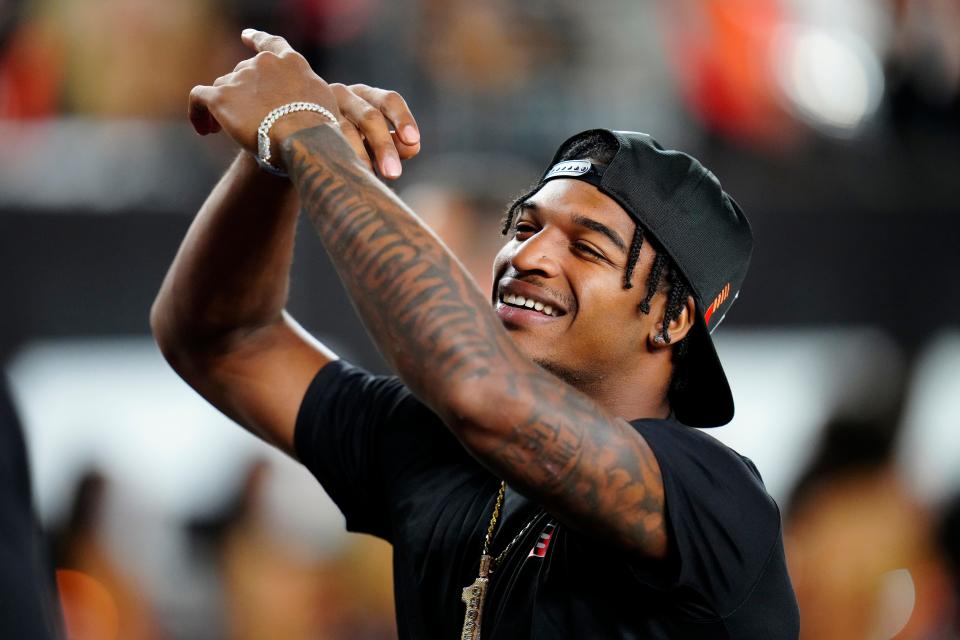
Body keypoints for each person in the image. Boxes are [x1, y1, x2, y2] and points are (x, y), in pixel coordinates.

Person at [152, 28, 800, 639]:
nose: (531, 256)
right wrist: (272, 162)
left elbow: (481, 392)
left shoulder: (712, 499)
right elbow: (222, 340)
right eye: (525, 227)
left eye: (588, 247)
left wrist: (304, 134)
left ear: (673, 318)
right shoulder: (434, 447)